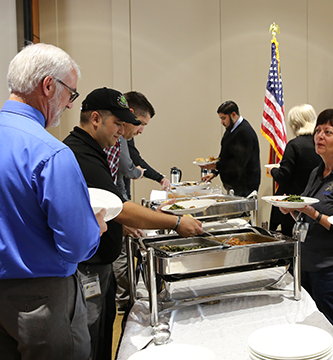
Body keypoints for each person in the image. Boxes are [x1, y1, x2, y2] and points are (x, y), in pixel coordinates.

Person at [63, 87, 203, 360]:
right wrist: (176, 222)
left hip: (100, 261)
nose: (122, 131)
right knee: (90, 340)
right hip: (88, 267)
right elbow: (122, 207)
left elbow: (102, 206)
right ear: (95, 119)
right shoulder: (81, 153)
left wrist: (119, 224)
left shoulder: (93, 149)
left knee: (102, 335)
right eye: (117, 123)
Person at [0, 43, 107, 360]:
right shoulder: (51, 153)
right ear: (48, 86)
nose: (70, 105)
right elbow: (75, 245)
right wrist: (95, 227)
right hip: (41, 301)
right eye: (70, 94)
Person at [279, 109, 333, 351]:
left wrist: (313, 213)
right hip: (309, 265)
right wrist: (291, 210)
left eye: (328, 132)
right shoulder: (317, 171)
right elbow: (308, 214)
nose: (319, 136)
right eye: (317, 131)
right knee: (315, 331)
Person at [269, 104, 321, 236]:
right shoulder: (321, 145)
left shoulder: (294, 145)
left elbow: (283, 176)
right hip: (314, 202)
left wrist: (272, 171)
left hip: (292, 203)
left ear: (295, 124)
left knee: (290, 245)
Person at [201, 100, 260, 196]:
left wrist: (216, 166)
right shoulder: (230, 129)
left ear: (233, 114)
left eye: (224, 118)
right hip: (234, 185)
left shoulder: (244, 132)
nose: (222, 122)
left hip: (245, 186)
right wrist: (214, 172)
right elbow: (224, 155)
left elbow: (239, 163)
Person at [122, 91, 171, 199]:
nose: (141, 131)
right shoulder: (116, 139)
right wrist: (138, 172)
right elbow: (128, 167)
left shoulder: (124, 137)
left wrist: (159, 178)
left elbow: (133, 159)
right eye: (140, 123)